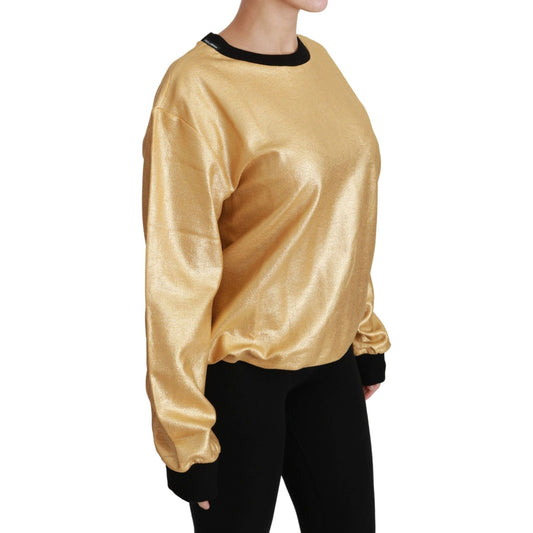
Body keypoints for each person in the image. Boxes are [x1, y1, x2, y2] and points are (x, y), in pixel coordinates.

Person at [141, 1, 392, 531]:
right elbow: (178, 271)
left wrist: (363, 332)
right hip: (242, 379)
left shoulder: (320, 64)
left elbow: (340, 218)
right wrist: (185, 434)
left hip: (330, 365)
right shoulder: (195, 90)